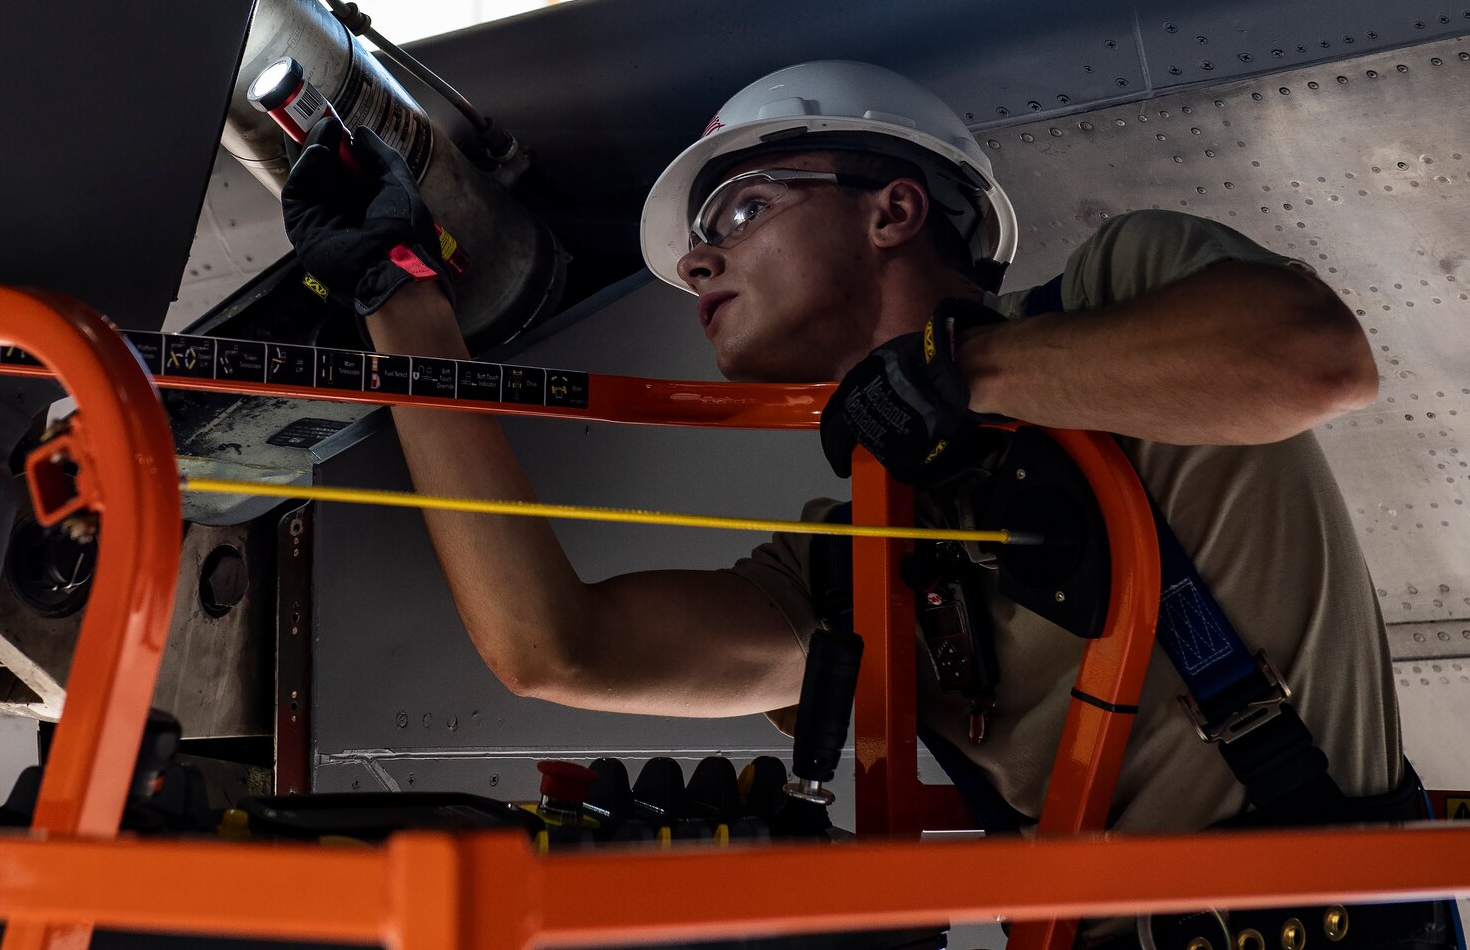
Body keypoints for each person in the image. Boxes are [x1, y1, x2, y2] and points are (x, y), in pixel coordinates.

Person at [278, 59, 1414, 849]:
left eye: (736, 214)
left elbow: (1314, 360)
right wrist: (400, 302)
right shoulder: (865, 558)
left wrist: (963, 375)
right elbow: (555, 650)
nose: (698, 269)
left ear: (891, 211)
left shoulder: (1131, 282)